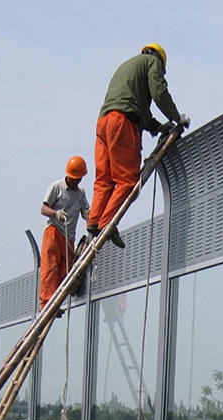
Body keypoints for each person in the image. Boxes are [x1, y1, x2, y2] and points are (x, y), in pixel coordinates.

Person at [87, 43, 188, 249]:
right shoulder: (153, 63)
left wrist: (159, 128)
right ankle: (107, 223)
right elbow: (159, 91)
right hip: (123, 123)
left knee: (104, 180)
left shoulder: (127, 67)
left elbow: (140, 108)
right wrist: (177, 117)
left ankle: (94, 221)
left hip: (104, 123)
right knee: (127, 180)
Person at [39, 155, 90, 312]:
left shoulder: (80, 193)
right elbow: (43, 209)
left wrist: (92, 222)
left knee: (64, 272)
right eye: (74, 178)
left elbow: (85, 212)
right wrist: (55, 213)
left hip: (69, 237)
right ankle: (46, 305)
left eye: (78, 178)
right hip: (54, 232)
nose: (76, 181)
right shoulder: (57, 187)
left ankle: (55, 303)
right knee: (50, 267)